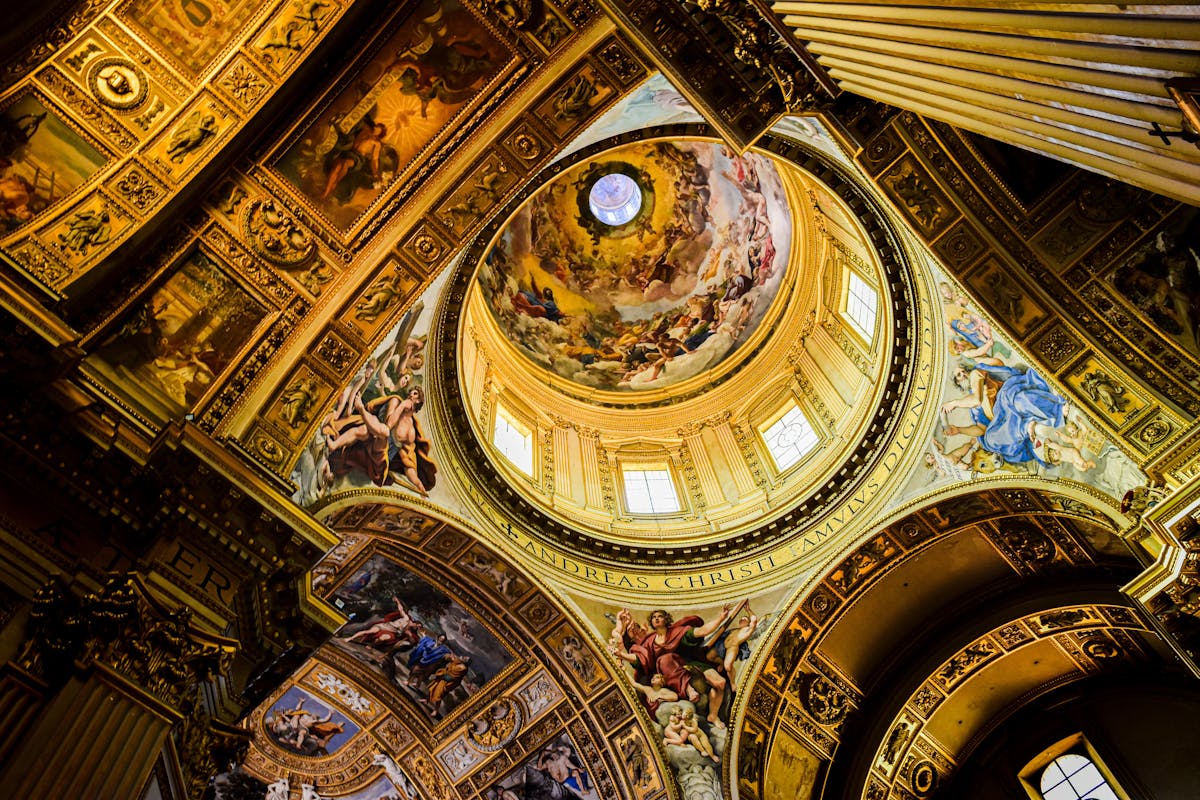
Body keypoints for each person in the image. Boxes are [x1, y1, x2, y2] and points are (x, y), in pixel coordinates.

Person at [610, 605, 735, 728]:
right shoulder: (650, 641)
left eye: (660, 616)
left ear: (666, 619)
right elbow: (640, 658)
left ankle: (713, 715)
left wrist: (721, 617)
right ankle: (688, 689)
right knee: (665, 659)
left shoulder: (677, 632)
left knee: (721, 683)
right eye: (654, 617)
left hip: (688, 663)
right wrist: (622, 655)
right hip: (668, 670)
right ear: (651, 622)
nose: (657, 619)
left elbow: (702, 631)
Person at [342, 595, 420, 650]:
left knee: (382, 638)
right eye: (417, 626)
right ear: (414, 623)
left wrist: (409, 636)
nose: (417, 628)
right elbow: (401, 610)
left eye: (418, 628)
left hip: (391, 632)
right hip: (385, 626)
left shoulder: (409, 631)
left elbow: (412, 642)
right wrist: (397, 601)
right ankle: (350, 638)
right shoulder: (406, 618)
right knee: (369, 631)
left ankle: (371, 645)